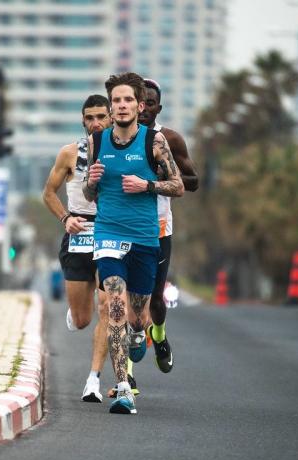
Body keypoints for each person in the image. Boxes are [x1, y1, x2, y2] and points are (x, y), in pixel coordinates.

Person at [84, 72, 183, 414]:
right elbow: (89, 192)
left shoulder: (154, 141)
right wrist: (91, 182)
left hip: (144, 236)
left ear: (140, 106)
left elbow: (178, 185)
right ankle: (124, 388)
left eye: (128, 100)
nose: (122, 105)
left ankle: (140, 333)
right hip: (108, 233)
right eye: (116, 100)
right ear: (111, 107)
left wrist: (147, 186)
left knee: (138, 316)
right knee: (115, 306)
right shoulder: (97, 141)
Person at [42, 94, 112, 403]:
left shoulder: (124, 152)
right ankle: (77, 311)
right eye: (90, 118)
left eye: (101, 117)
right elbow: (48, 193)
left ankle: (93, 380)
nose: (96, 123)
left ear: (111, 118)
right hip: (79, 232)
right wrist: (65, 218)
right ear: (83, 121)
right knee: (83, 319)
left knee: (107, 307)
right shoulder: (70, 153)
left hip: (110, 232)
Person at [138, 78, 199, 374]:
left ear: (158, 108)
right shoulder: (116, 137)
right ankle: (127, 378)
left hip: (159, 227)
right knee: (123, 301)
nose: (143, 109)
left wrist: (162, 176)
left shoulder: (170, 139)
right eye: (140, 102)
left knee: (155, 299)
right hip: (123, 227)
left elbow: (194, 181)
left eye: (150, 104)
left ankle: (159, 336)